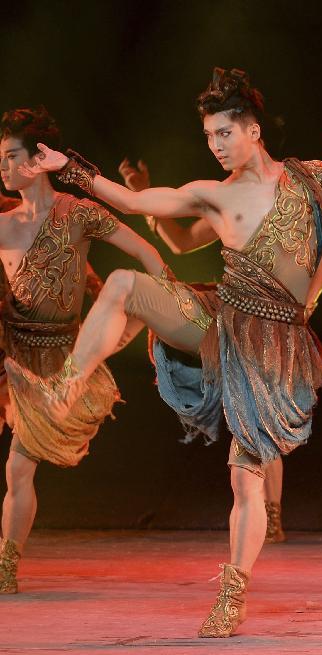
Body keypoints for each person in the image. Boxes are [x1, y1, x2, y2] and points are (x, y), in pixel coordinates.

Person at [18, 67, 322, 638]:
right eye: (209, 137)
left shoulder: (306, 179)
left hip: (276, 343)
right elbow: (131, 201)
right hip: (219, 320)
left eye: (224, 133)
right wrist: (72, 169)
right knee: (125, 285)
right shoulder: (213, 193)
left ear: (253, 129)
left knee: (244, 479)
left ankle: (234, 592)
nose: (215, 145)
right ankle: (65, 388)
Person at [0, 106, 166, 594]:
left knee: (17, 466)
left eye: (11, 158)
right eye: (0, 160)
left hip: (66, 360)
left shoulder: (78, 213)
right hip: (16, 360)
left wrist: (170, 301)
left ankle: (7, 567)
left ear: (36, 161)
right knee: (17, 467)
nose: (4, 169)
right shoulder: (1, 223)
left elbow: (146, 252)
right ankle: (7, 565)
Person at [118, 157, 290, 544]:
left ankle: (272, 512)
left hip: (277, 319)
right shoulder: (225, 206)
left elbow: (318, 274)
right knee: (252, 415)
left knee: (263, 414)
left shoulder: (288, 209)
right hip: (236, 315)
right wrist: (139, 192)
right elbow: (179, 241)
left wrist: (291, 321)